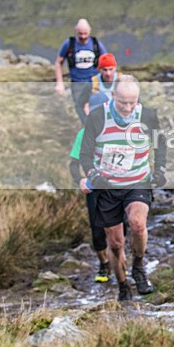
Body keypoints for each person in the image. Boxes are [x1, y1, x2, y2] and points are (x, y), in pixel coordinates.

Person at [79, 75, 167, 302]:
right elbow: (85, 153)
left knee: (138, 224)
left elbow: (160, 143)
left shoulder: (147, 115)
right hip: (106, 186)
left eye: (132, 102)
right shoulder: (98, 117)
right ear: (113, 97)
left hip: (137, 180)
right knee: (116, 244)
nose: (128, 108)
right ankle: (123, 285)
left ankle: (138, 266)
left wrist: (160, 170)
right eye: (122, 103)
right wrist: (92, 174)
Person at [69, 93, 112, 283]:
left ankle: (119, 260)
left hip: (115, 187)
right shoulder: (83, 133)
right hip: (93, 187)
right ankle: (104, 264)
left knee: (118, 227)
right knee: (97, 229)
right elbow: (73, 164)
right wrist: (79, 180)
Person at [55, 18, 107, 123]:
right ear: (76, 31)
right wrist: (59, 83)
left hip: (94, 82)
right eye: (80, 34)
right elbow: (58, 62)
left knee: (95, 107)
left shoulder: (96, 44)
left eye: (85, 34)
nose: (83, 36)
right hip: (77, 83)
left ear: (90, 31)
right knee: (81, 109)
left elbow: (106, 61)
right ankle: (86, 130)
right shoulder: (69, 44)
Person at [80, 52, 118, 117]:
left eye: (111, 69)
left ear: (115, 68)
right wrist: (86, 121)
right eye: (105, 70)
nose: (108, 73)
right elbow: (80, 104)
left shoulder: (122, 81)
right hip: (98, 117)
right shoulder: (92, 83)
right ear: (99, 69)